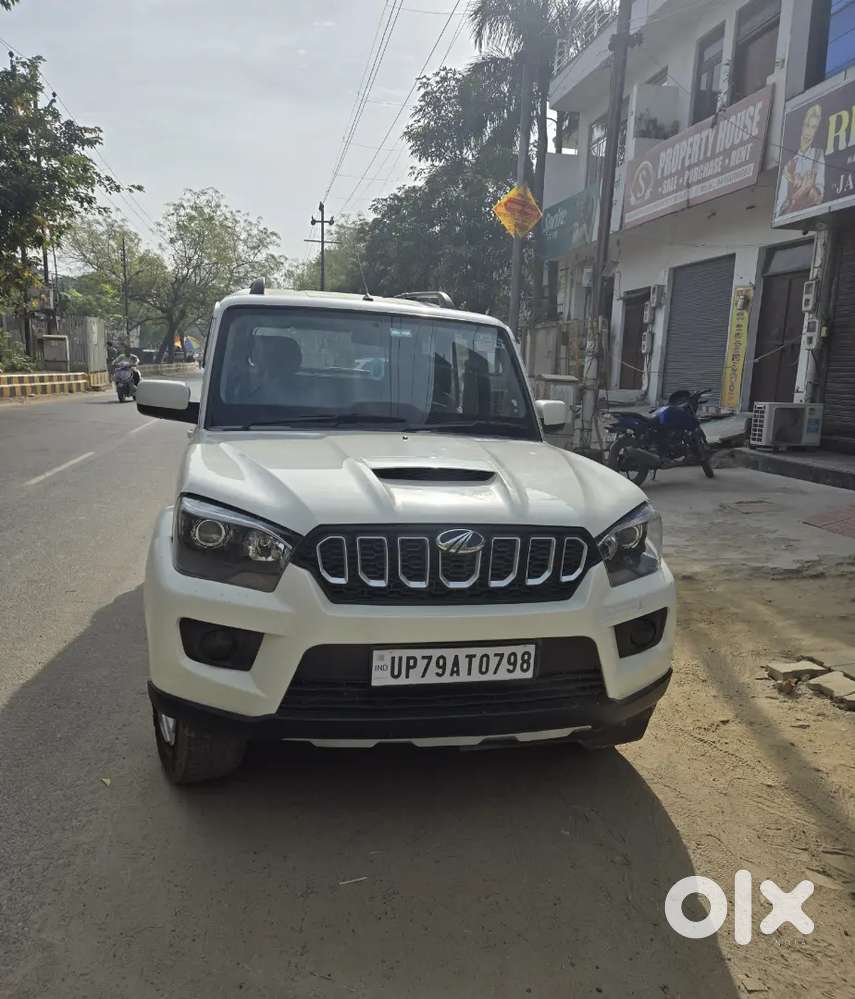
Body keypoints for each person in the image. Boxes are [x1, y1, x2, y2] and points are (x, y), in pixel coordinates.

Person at [777, 104, 826, 217]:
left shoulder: (818, 155)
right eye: (807, 125)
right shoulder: (790, 164)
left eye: (813, 127)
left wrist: (806, 189)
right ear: (801, 127)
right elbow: (780, 210)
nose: (809, 132)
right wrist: (805, 189)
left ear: (816, 130)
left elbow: (819, 198)